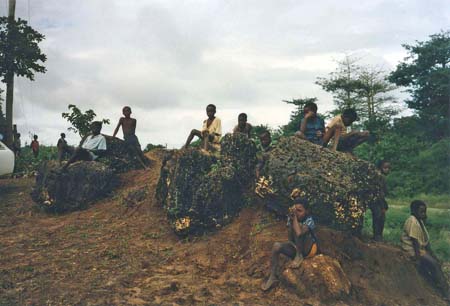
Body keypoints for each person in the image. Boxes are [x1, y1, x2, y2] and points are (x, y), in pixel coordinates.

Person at [261, 198, 319, 291]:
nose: (296, 213)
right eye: (295, 210)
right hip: (297, 247)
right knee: (276, 246)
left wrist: (294, 220)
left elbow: (299, 234)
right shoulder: (292, 218)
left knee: (299, 229)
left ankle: (299, 256)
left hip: (308, 249)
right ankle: (272, 276)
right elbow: (291, 239)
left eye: (299, 211)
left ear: (307, 211)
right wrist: (292, 221)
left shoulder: (309, 220)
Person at [401, 200, 450, 299]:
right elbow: (414, 242)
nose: (424, 214)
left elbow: (426, 243)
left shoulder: (420, 222)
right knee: (434, 265)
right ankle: (446, 293)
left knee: (435, 263)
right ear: (413, 211)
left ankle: (440, 287)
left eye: (424, 211)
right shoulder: (412, 220)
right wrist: (418, 259)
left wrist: (433, 255)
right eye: (421, 212)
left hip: (420, 249)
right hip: (412, 249)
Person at [370, 160, 391, 241]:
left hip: (377, 200)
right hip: (376, 201)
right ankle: (377, 237)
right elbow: (379, 193)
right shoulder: (379, 177)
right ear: (380, 168)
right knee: (379, 218)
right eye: (385, 168)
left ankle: (377, 236)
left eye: (389, 168)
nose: (387, 170)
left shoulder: (380, 176)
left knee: (379, 218)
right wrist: (383, 205)